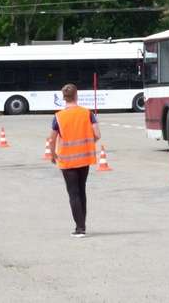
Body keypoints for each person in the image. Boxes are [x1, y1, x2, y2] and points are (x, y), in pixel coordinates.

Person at [49, 83, 100, 238]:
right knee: (81, 190)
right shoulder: (88, 113)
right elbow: (97, 134)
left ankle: (80, 228)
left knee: (73, 193)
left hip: (67, 160)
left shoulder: (58, 117)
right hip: (84, 158)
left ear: (63, 97)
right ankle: (82, 224)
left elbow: (52, 139)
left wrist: (53, 154)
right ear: (76, 95)